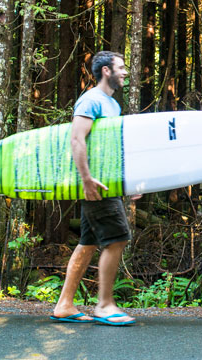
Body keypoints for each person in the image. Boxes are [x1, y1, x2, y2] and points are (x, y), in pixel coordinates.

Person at [51, 51, 138, 326]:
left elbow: (109, 149)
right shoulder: (90, 100)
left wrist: (129, 182)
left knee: (87, 244)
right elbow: (77, 139)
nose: (125, 72)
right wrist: (87, 179)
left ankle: (64, 304)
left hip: (106, 182)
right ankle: (104, 304)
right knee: (117, 238)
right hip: (95, 184)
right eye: (121, 68)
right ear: (106, 71)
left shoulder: (111, 104)